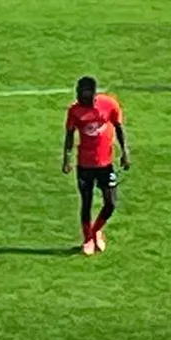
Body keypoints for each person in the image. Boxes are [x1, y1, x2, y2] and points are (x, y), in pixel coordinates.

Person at [62, 77, 128, 255]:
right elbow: (69, 135)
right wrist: (67, 159)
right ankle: (88, 240)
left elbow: (119, 127)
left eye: (83, 94)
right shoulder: (74, 111)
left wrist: (125, 153)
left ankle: (96, 230)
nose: (79, 97)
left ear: (92, 93)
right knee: (86, 202)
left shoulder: (108, 105)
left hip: (105, 164)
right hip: (85, 164)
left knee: (111, 203)